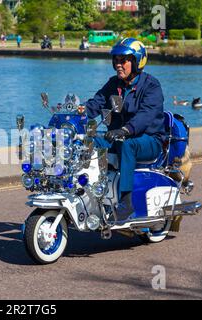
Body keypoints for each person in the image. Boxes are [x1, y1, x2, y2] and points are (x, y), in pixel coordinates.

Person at [85, 38, 165, 223]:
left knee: (127, 145)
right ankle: (90, 191)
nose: (118, 65)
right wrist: (76, 113)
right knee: (89, 140)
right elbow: (95, 104)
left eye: (124, 61)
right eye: (116, 61)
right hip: (118, 137)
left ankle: (126, 203)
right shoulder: (113, 84)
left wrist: (125, 130)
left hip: (150, 140)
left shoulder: (151, 86)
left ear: (137, 62)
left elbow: (146, 115)